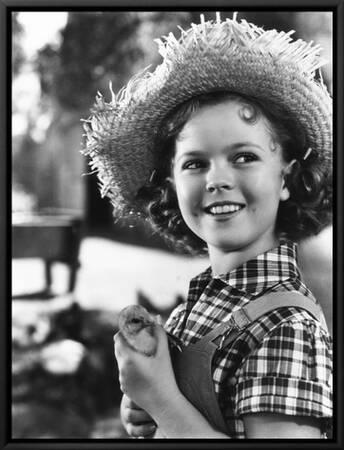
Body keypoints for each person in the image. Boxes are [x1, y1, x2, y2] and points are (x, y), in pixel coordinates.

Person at [82, 13, 332, 439]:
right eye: (196, 163)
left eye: (244, 157)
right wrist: (146, 410)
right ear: (172, 187)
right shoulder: (188, 312)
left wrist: (163, 399)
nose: (217, 179)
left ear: (287, 178)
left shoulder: (288, 327)